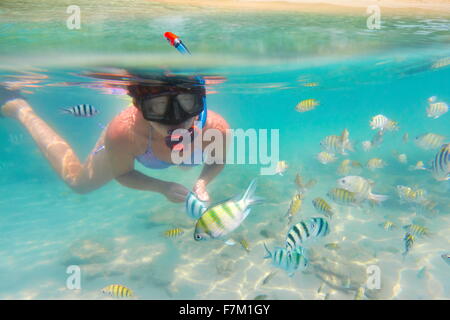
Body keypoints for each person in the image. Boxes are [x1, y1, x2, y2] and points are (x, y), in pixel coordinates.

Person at [0, 73, 229, 203]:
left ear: (200, 103)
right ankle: (21, 110)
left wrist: (202, 182)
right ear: (139, 108)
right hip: (132, 142)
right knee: (79, 183)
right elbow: (123, 173)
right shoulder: (123, 134)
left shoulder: (217, 129)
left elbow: (217, 160)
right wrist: (162, 187)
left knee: (187, 165)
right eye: (159, 110)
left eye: (188, 106)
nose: (177, 121)